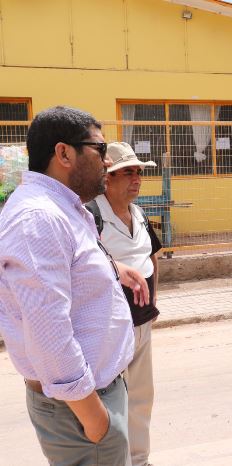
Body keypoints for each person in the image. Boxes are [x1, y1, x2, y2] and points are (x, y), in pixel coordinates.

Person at [0, 106, 148, 465]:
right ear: (64, 153)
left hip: (90, 398)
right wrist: (94, 418)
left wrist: (113, 267)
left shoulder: (61, 207)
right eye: (100, 150)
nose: (106, 160)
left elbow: (67, 268)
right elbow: (48, 333)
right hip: (80, 409)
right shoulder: (39, 218)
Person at [88, 142, 162, 466]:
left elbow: (152, 258)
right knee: (114, 401)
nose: (136, 179)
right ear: (107, 177)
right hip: (110, 325)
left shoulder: (140, 213)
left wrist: (154, 302)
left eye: (138, 172)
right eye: (126, 172)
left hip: (142, 320)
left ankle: (139, 459)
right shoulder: (92, 215)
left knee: (142, 397)